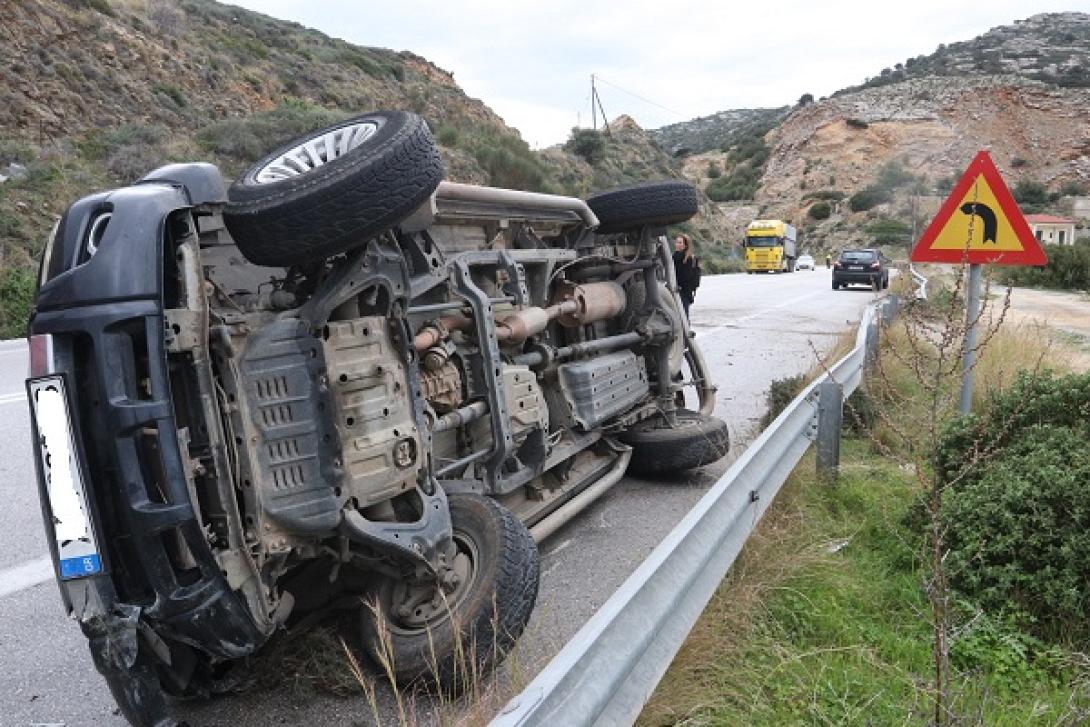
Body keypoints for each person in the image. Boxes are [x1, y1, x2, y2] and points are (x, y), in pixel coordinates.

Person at [672, 234, 701, 321]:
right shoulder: (674, 257)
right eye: (677, 242)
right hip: (675, 290)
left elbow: (687, 276)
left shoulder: (689, 258)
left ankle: (685, 333)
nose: (678, 244)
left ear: (685, 245)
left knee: (683, 316)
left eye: (680, 242)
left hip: (684, 292)